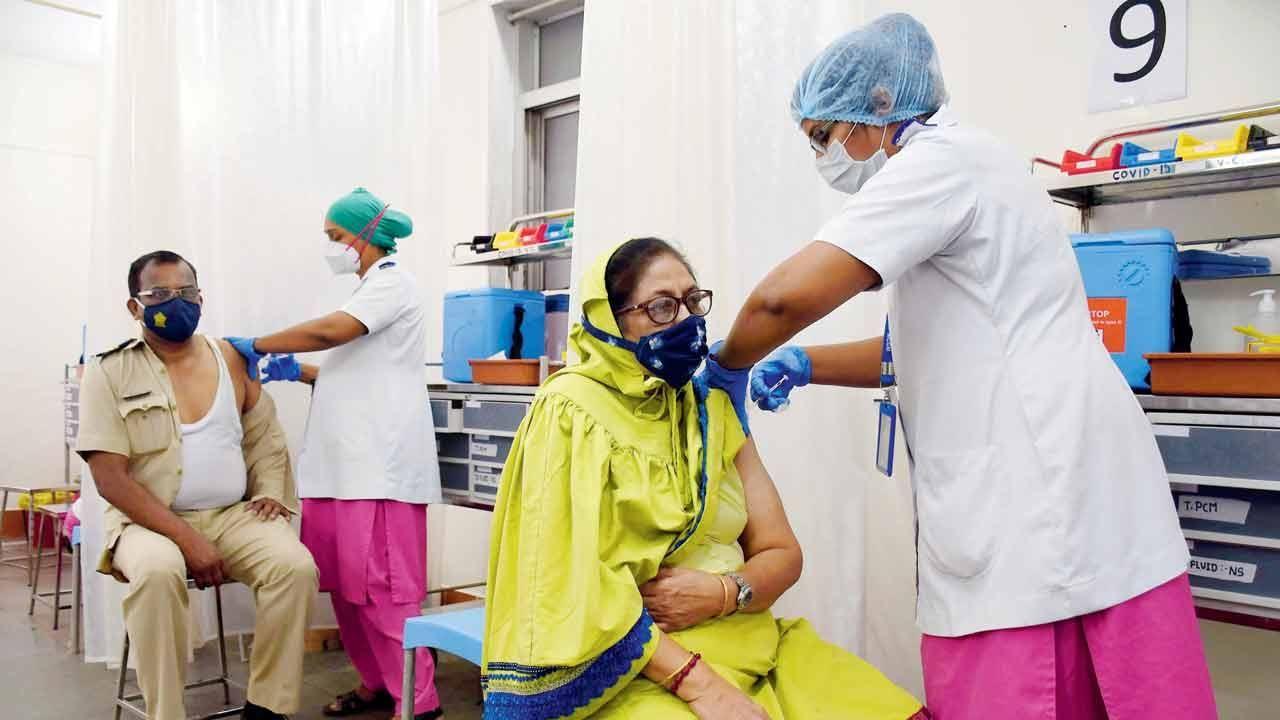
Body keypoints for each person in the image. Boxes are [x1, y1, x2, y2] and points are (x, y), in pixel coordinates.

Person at [700, 13, 1217, 720]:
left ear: (878, 108)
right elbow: (923, 350)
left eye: (824, 136)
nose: (824, 156)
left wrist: (728, 361)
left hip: (1044, 493)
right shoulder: (968, 170)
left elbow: (783, 297)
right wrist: (804, 362)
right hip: (1056, 481)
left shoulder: (939, 164)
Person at [481, 237, 926, 720]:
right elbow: (570, 586)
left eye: (694, 301)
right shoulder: (570, 412)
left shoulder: (709, 407)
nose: (688, 322)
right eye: (662, 307)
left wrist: (724, 593)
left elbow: (783, 554)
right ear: (611, 321)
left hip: (753, 644)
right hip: (636, 668)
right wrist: (701, 688)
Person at [225, 188, 443, 720]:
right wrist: (298, 372)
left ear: (367, 236)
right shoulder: (366, 292)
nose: (332, 248)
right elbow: (357, 371)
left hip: (378, 473)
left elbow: (330, 331)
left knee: (385, 593)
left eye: (336, 237)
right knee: (345, 590)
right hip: (337, 472)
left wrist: (259, 345)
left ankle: (418, 701)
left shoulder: (391, 284)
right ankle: (376, 683)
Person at [77, 250, 317, 720]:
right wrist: (187, 540)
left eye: (186, 292)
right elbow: (110, 480)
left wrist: (270, 490)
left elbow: (264, 435)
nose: (176, 302)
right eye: (160, 294)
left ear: (201, 298)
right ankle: (168, 712)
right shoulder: (108, 372)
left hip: (232, 515)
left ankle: (267, 708)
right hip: (145, 522)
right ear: (134, 306)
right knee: (158, 572)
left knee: (295, 568)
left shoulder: (229, 356)